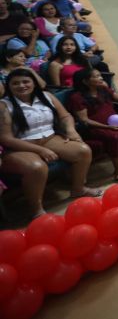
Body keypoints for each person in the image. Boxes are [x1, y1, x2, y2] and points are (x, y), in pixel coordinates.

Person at [0, 69, 100, 218]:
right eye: (15, 83)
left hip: (49, 138)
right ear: (9, 86)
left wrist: (71, 130)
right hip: (19, 146)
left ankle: (78, 189)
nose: (21, 85)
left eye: (26, 81)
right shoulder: (4, 105)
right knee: (37, 167)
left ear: (34, 83)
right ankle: (36, 209)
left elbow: (65, 116)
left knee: (83, 151)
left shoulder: (47, 96)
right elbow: (6, 139)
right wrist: (40, 150)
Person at [69, 69, 118, 184]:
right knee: (114, 136)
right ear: (85, 81)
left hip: (115, 122)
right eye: (97, 76)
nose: (101, 78)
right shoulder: (77, 97)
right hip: (96, 127)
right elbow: (84, 120)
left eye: (100, 75)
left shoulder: (103, 89)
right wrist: (107, 127)